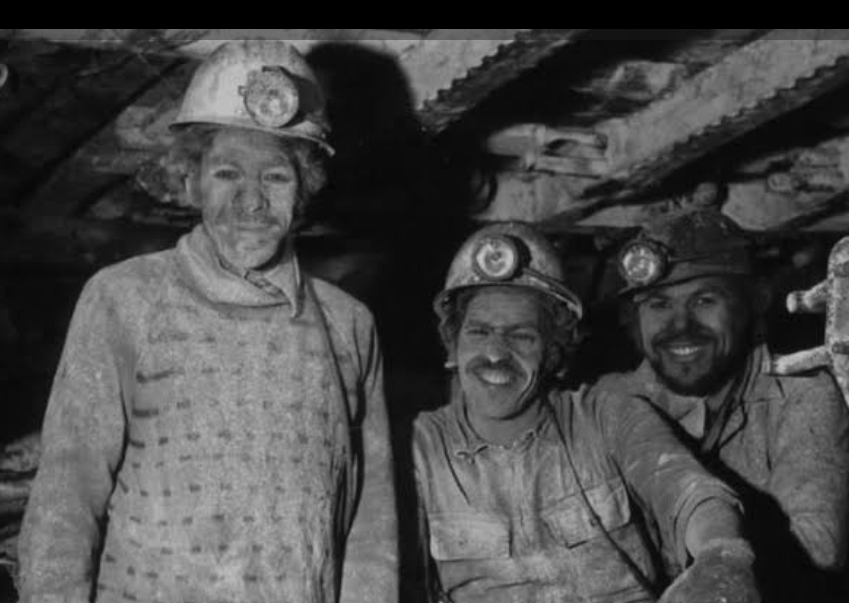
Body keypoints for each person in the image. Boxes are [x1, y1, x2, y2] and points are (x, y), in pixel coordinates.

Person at [17, 39, 398, 603]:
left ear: (305, 188)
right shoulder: (124, 299)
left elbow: (371, 527)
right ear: (191, 181)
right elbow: (66, 498)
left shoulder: (349, 326)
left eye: (275, 177)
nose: (251, 201)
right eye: (226, 174)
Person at [413, 221, 760, 603]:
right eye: (478, 332)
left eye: (521, 336)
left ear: (554, 352)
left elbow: (690, 492)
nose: (495, 354)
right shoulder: (420, 449)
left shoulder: (605, 415)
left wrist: (721, 553)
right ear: (453, 345)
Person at [602, 209, 849, 600]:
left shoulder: (800, 394)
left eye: (704, 300)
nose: (680, 327)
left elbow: (817, 550)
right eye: (658, 305)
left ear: (753, 301)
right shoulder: (610, 402)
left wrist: (716, 549)